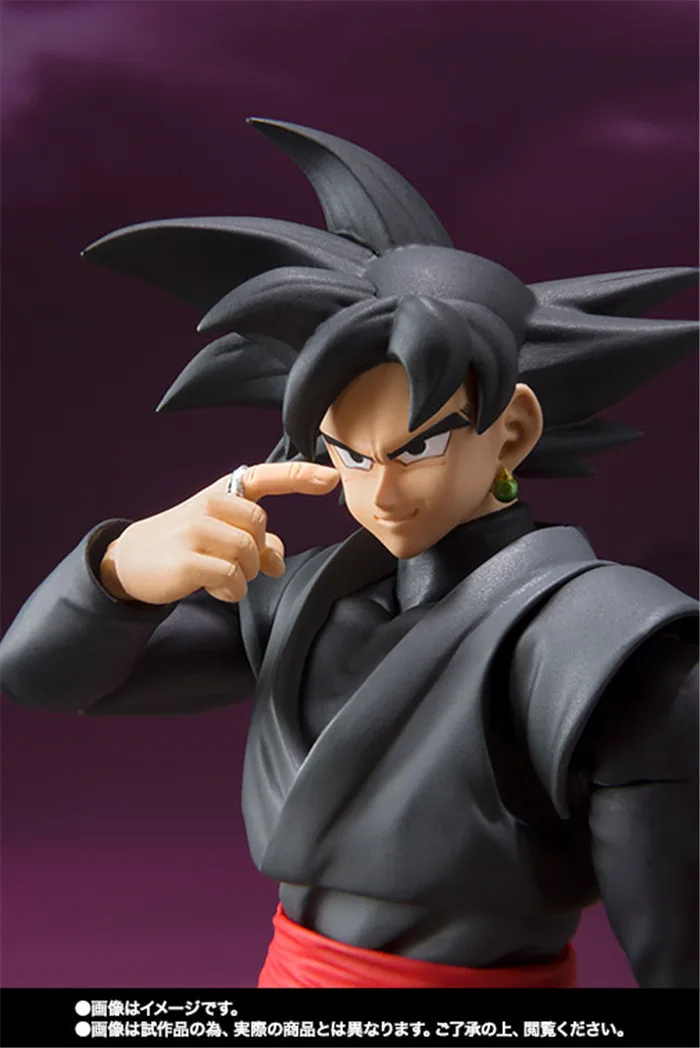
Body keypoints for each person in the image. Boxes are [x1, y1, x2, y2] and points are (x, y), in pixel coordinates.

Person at [1, 119, 697, 989]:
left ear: (513, 429)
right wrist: (117, 573)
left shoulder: (610, 647)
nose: (382, 493)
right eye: (350, 455)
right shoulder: (296, 600)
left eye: (419, 448)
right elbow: (44, 679)